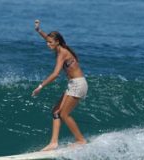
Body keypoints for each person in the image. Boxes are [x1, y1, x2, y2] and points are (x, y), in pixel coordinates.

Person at [31, 20, 88, 151]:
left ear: (57, 42)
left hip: (78, 85)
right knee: (56, 112)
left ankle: (80, 140)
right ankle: (53, 143)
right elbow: (48, 38)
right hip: (73, 84)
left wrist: (40, 86)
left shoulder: (62, 52)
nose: (47, 44)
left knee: (64, 114)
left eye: (50, 42)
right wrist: (39, 30)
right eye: (47, 42)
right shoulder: (58, 46)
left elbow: (56, 74)